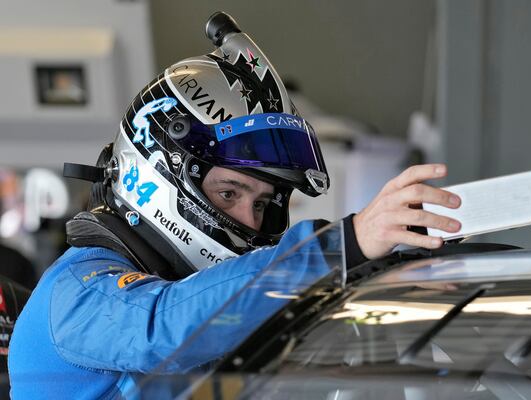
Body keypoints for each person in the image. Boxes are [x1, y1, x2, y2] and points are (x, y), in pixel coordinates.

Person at [8, 12, 461, 399]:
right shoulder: (74, 292)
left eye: (262, 204)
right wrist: (347, 244)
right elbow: (163, 328)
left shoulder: (204, 303)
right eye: (230, 193)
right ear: (156, 174)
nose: (249, 219)